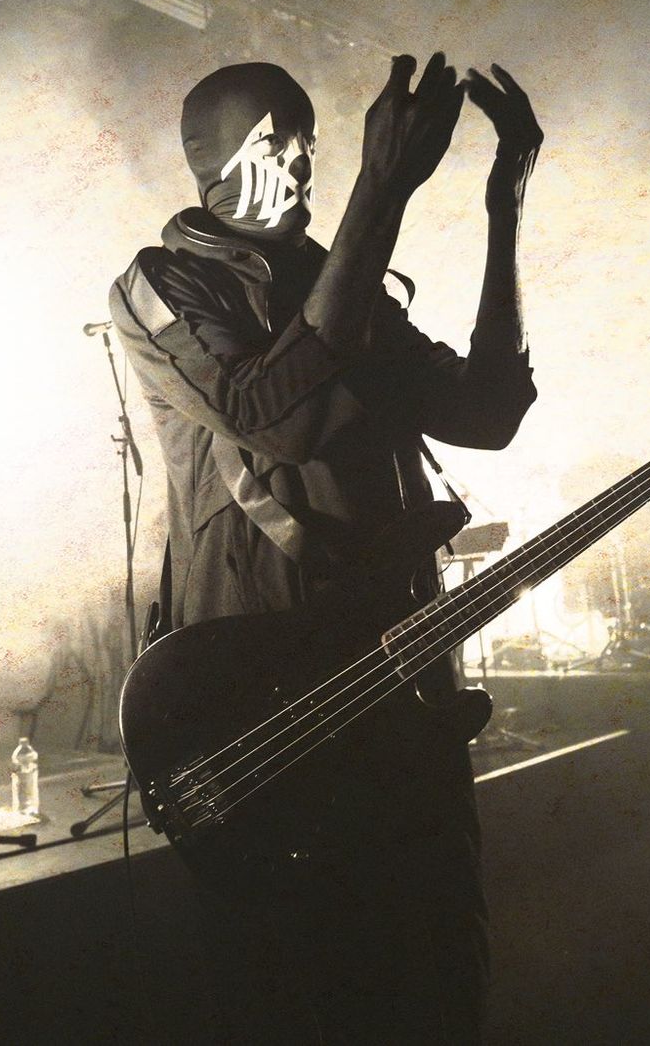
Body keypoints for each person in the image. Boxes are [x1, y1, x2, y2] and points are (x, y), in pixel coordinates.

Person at [109, 54, 543, 1041]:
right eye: (281, 140)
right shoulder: (161, 284)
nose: (305, 161)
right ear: (217, 157)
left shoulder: (342, 285)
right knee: (300, 982)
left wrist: (502, 207)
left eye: (311, 139)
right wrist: (380, 190)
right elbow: (275, 417)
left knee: (439, 964)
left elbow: (486, 411)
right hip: (262, 693)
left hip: (397, 672)